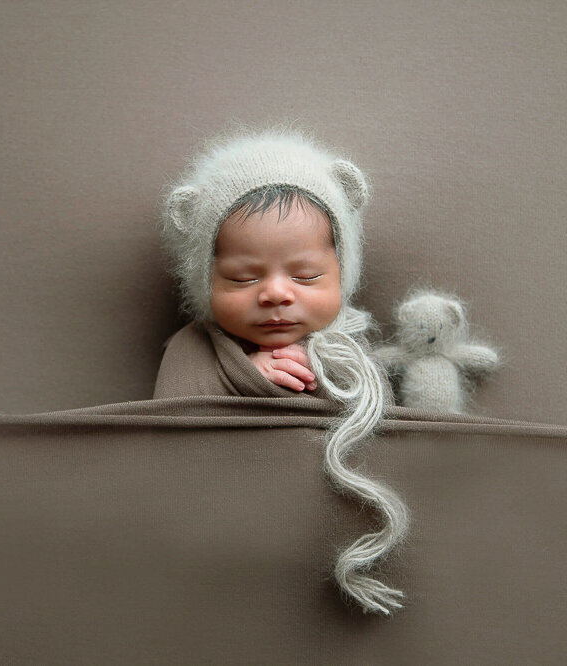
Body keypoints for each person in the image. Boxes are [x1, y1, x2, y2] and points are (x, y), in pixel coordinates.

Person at [155, 126, 409, 615]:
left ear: (343, 273)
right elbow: (171, 416)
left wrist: (329, 374)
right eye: (244, 277)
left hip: (326, 535)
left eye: (306, 275)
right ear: (206, 281)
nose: (275, 293)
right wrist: (246, 374)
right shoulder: (195, 346)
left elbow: (382, 421)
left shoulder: (348, 349)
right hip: (222, 530)